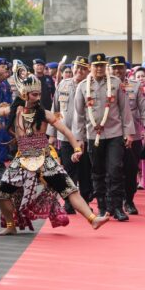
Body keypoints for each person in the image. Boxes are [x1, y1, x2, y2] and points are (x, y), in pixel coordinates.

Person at [0, 61, 109, 235]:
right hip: (22, 158)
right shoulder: (13, 110)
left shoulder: (45, 114)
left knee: (69, 189)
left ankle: (93, 219)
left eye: (39, 94)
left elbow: (65, 131)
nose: (38, 98)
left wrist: (77, 149)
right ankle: (11, 226)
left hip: (44, 157)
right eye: (34, 95)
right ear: (24, 94)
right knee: (0, 194)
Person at [73, 53, 135, 221]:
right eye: (96, 65)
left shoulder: (116, 83)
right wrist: (79, 139)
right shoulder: (82, 86)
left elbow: (125, 110)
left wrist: (129, 132)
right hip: (93, 135)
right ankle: (101, 207)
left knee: (115, 169)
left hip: (114, 133)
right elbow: (78, 115)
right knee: (97, 171)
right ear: (90, 68)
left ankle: (116, 207)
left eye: (102, 65)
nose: (99, 68)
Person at [47, 56, 93, 213]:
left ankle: (85, 202)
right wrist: (52, 133)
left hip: (86, 137)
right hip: (65, 136)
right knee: (68, 171)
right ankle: (69, 204)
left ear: (88, 70)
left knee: (86, 172)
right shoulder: (63, 84)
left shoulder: (90, 86)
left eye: (83, 68)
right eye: (77, 67)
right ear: (72, 68)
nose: (79, 70)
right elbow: (56, 110)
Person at [108, 56, 145, 216]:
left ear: (125, 69)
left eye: (120, 67)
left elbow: (144, 109)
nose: (117, 70)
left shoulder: (135, 86)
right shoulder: (105, 86)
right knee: (113, 170)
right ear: (109, 69)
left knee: (131, 169)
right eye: (114, 67)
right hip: (111, 135)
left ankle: (129, 200)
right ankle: (114, 203)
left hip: (133, 135)